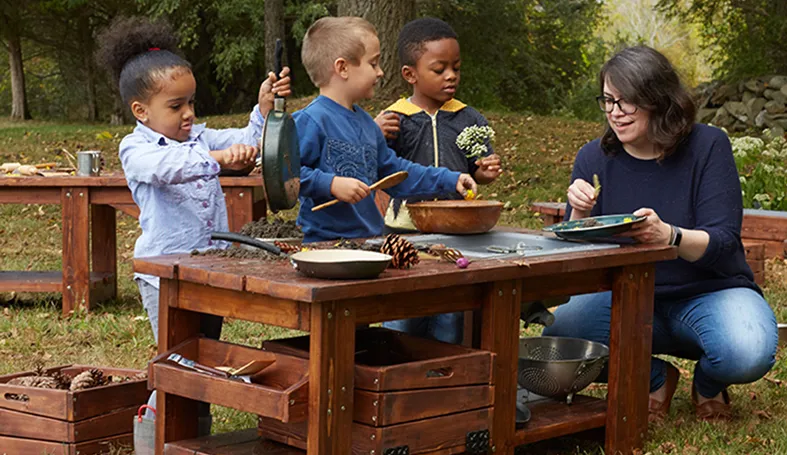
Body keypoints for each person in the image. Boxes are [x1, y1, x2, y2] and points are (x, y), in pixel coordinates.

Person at [543, 46, 777, 422]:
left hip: (709, 291)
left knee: (747, 350)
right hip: (627, 297)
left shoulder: (708, 146)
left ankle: (709, 383)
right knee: (560, 340)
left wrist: (670, 235)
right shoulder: (593, 157)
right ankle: (654, 377)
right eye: (608, 100)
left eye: (627, 101)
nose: (615, 112)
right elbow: (578, 262)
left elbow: (723, 241)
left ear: (659, 100)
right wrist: (580, 212)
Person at [97, 17, 291, 431]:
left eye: (191, 103)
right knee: (176, 358)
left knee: (206, 355)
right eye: (175, 106)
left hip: (209, 270)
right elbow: (169, 168)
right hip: (163, 276)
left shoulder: (199, 138)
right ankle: (156, 433)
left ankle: (195, 432)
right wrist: (219, 160)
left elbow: (250, 139)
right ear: (140, 111)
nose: (188, 114)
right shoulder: (136, 148)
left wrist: (263, 109)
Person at [372, 17, 503, 344]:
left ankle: (447, 380)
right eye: (439, 69)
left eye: (456, 68)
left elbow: (477, 171)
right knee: (402, 321)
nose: (451, 76)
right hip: (403, 235)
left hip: (457, 235)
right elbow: (378, 170)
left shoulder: (469, 118)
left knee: (452, 319)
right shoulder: (393, 119)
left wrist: (482, 173)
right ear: (410, 74)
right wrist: (373, 135)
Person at [294, 16, 477, 243]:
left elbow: (397, 173)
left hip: (370, 243)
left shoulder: (368, 125)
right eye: (373, 63)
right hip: (323, 246)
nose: (380, 72)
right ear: (342, 68)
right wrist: (330, 184)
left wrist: (450, 179)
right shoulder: (310, 120)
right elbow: (283, 174)